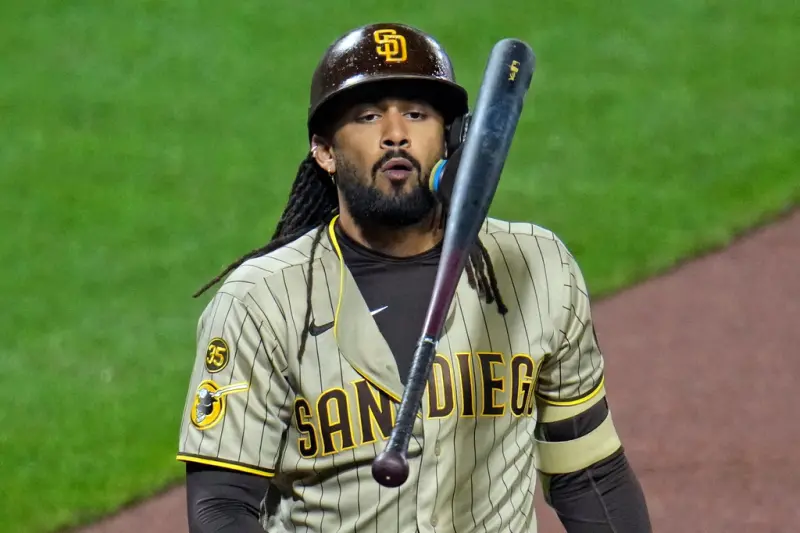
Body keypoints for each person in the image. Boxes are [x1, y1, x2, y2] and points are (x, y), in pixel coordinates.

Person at [176, 22, 652, 533]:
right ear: (325, 150)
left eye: (416, 114)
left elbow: (588, 474)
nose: (396, 133)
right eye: (368, 116)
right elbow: (222, 508)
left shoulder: (537, 266)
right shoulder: (262, 299)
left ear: (450, 139)